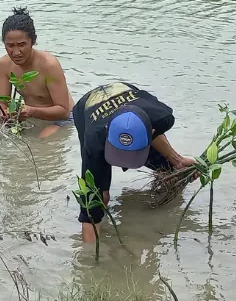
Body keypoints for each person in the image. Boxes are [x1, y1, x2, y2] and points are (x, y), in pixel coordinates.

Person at [73, 82, 196, 242]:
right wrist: (92, 260)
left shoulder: (163, 118)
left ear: (152, 132)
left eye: (132, 155)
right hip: (87, 109)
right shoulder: (94, 140)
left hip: (128, 96)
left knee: (170, 171)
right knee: (99, 197)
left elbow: (152, 130)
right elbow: (88, 214)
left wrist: (177, 160)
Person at [0, 7, 73, 139]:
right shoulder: (4, 65)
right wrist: (4, 113)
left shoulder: (49, 65)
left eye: (22, 44)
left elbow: (64, 111)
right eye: (10, 45)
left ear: (33, 41)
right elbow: (3, 102)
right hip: (29, 115)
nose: (16, 52)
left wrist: (32, 111)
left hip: (63, 119)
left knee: (40, 141)